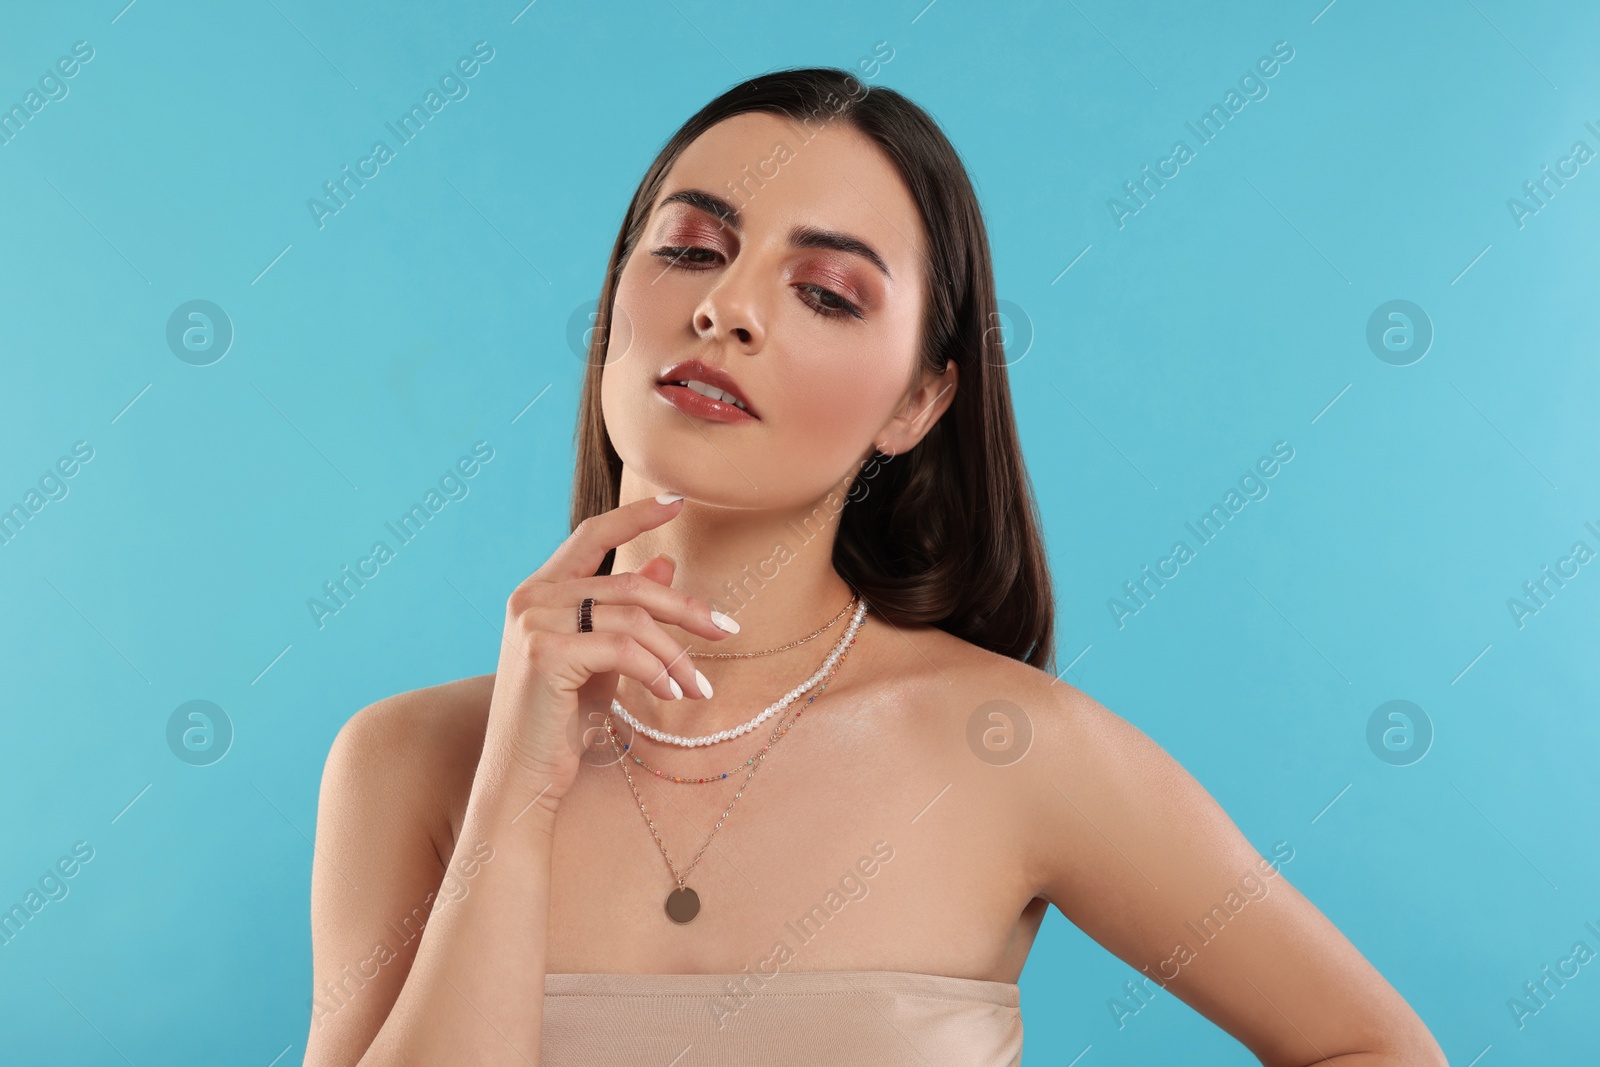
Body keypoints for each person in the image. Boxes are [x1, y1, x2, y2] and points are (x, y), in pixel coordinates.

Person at [304, 67, 1447, 1066]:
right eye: (694, 248)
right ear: (613, 303)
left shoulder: (1010, 746)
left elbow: (1374, 1046)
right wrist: (519, 791)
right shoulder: (410, 763)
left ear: (917, 399)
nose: (725, 306)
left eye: (826, 293)